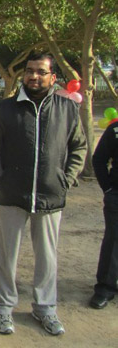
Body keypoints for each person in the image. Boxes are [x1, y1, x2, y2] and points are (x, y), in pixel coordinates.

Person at [0, 53, 87, 336]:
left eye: (41, 72)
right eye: (30, 71)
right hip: (11, 194)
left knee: (47, 257)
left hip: (51, 195)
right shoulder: (6, 108)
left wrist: (66, 179)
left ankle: (45, 308)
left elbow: (78, 147)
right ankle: (1, 308)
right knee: (5, 256)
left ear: (52, 77)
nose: (34, 76)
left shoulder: (67, 109)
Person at [89, 118, 118, 309]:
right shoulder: (115, 129)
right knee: (113, 240)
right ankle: (105, 288)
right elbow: (99, 159)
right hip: (117, 195)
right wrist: (108, 189)